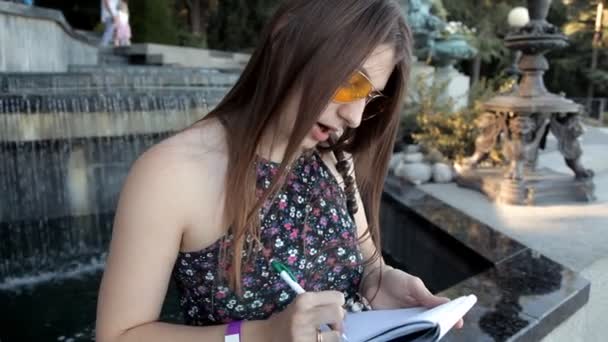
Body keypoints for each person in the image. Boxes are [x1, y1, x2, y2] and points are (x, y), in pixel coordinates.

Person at [95, 1, 463, 341]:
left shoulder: (334, 159)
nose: (353, 117)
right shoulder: (170, 175)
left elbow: (368, 266)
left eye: (370, 98)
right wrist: (263, 335)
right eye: (353, 82)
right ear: (286, 40)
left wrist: (381, 281)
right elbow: (120, 335)